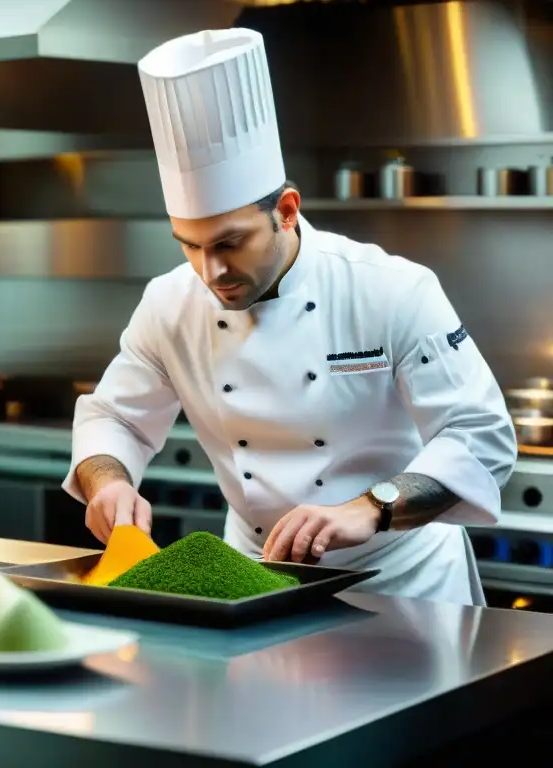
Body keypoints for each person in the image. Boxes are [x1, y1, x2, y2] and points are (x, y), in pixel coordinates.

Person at [62, 28, 516, 606]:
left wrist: (371, 508)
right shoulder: (168, 303)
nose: (211, 270)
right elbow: (115, 420)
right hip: (253, 580)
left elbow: (481, 439)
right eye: (189, 245)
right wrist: (111, 483)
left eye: (230, 243)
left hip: (402, 581)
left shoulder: (391, 288)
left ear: (286, 211)